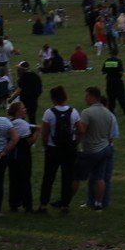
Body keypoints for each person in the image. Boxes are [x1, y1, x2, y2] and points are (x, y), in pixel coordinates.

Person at [38, 85, 80, 214]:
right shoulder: (73, 112)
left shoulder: (49, 113)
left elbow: (45, 132)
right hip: (69, 148)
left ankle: (43, 205)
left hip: (53, 148)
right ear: (65, 97)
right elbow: (80, 129)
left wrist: (45, 145)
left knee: (48, 177)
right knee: (67, 176)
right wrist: (76, 142)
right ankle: (64, 205)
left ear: (53, 99)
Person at [78, 86, 118, 210]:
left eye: (86, 96)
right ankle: (98, 203)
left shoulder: (87, 112)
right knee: (100, 178)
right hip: (105, 148)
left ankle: (85, 201)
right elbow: (111, 134)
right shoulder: (108, 113)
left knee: (82, 175)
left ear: (92, 97)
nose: (85, 99)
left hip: (92, 150)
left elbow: (82, 131)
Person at [6, 101, 35, 213]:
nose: (25, 110)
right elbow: (29, 142)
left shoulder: (9, 122)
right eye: (23, 108)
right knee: (25, 180)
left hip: (12, 156)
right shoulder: (22, 124)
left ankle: (13, 204)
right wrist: (37, 132)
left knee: (13, 180)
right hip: (23, 156)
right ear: (18, 111)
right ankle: (28, 205)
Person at [101, 47, 125, 115]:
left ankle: (111, 111)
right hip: (118, 82)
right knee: (121, 97)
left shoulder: (107, 61)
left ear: (110, 54)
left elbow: (103, 72)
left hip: (109, 82)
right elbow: (121, 72)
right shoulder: (118, 61)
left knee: (111, 98)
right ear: (117, 53)